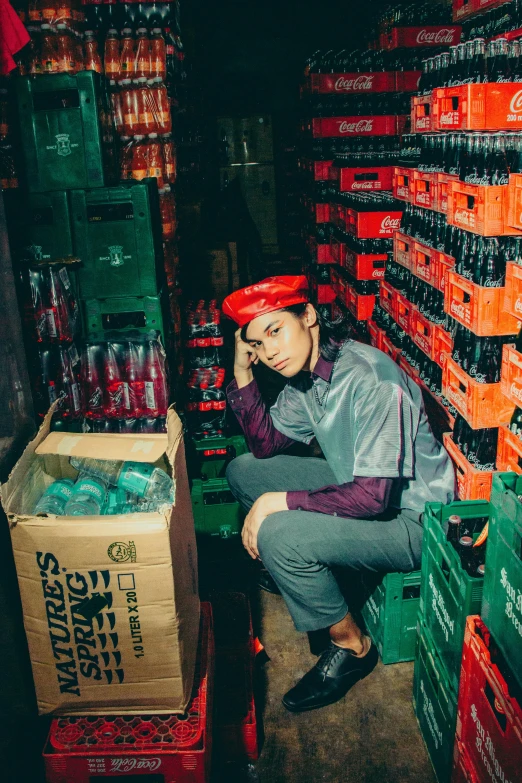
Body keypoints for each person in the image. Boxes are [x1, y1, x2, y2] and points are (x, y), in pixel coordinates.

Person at [222, 275, 456, 713]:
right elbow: (264, 445)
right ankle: (307, 571)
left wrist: (280, 503)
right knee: (244, 472)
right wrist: (240, 370)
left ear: (308, 316)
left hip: (412, 520)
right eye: (257, 343)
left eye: (276, 331)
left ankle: (353, 647)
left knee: (278, 533)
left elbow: (373, 499)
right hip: (359, 485)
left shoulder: (370, 379)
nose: (269, 351)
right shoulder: (307, 378)